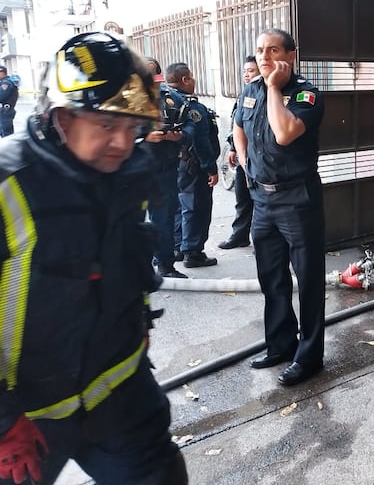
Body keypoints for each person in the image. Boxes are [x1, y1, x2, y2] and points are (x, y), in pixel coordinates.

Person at [0, 32, 187, 484]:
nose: (123, 143)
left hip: (120, 395)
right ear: (61, 118)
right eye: (106, 125)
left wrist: (138, 328)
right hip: (26, 422)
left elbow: (126, 263)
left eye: (132, 127)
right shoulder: (9, 186)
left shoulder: (125, 174)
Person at [234, 28, 326, 386]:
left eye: (273, 50)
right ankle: (280, 345)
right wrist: (244, 162)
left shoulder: (306, 93)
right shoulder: (250, 89)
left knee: (308, 280)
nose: (264, 57)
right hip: (261, 200)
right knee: (272, 278)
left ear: (291, 55)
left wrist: (274, 87)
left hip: (297, 198)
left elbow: (285, 132)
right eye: (259, 50)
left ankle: (310, 356)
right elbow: (238, 125)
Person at [142, 57, 192, 278]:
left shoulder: (173, 99)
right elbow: (111, 133)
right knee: (131, 221)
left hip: (165, 168)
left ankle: (165, 264)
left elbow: (191, 129)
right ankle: (136, 267)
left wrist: (178, 136)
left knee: (164, 218)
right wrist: (143, 137)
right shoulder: (123, 102)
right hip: (135, 171)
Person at [168, 62, 220, 268]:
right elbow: (201, 142)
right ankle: (193, 252)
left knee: (179, 205)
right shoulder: (191, 107)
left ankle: (178, 246)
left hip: (174, 165)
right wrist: (211, 168)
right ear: (185, 80)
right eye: (192, 76)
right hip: (193, 165)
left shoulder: (164, 101)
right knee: (196, 207)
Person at [219, 55, 258, 249]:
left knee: (261, 201)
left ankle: (263, 240)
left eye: (250, 71)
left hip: (261, 159)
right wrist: (234, 148)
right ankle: (240, 235)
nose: (246, 75)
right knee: (242, 198)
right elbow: (238, 124)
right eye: (245, 71)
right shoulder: (244, 95)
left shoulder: (269, 95)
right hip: (244, 157)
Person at [0, 65, 19, 137]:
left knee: (7, 134)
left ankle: (9, 147)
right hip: (4, 111)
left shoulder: (6, 83)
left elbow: (1, 96)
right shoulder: (3, 82)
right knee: (3, 132)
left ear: (2, 73)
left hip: (6, 111)